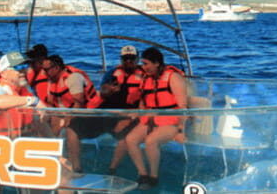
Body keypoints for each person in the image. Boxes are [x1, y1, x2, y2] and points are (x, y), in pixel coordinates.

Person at [124, 47, 188, 190]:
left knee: (151, 141)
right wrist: (138, 113)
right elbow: (144, 101)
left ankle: (154, 177)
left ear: (157, 63)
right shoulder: (146, 78)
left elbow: (183, 107)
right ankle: (143, 174)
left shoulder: (173, 77)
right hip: (151, 118)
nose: (143, 67)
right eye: (143, 63)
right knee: (130, 139)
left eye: (146, 64)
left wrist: (180, 130)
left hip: (171, 121)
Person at [41, 54, 102, 173]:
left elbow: (79, 103)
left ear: (56, 68)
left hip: (88, 114)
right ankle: (54, 160)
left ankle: (76, 167)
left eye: (46, 70)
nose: (44, 73)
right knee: (46, 124)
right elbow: (51, 103)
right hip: (64, 112)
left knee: (71, 130)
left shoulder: (73, 77)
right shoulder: (51, 80)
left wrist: (65, 121)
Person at [99, 45, 145, 174]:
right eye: (126, 59)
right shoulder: (112, 74)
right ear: (121, 59)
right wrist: (110, 90)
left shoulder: (145, 75)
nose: (129, 61)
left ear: (137, 59)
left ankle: (112, 169)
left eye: (132, 58)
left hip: (137, 114)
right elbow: (102, 92)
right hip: (114, 113)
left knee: (125, 135)